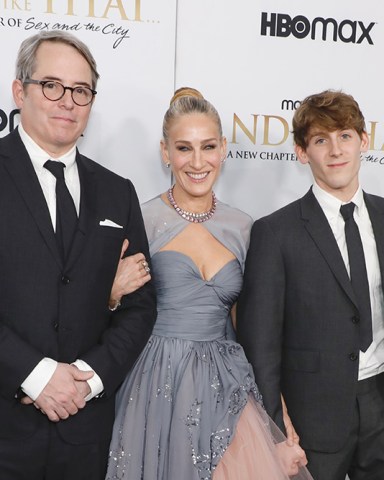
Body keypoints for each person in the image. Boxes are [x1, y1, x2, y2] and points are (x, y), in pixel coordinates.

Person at [106, 87, 313, 479]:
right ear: (166, 153)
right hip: (155, 382)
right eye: (184, 148)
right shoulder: (142, 220)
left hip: (228, 383)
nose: (198, 162)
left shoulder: (245, 227)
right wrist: (111, 294)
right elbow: (102, 312)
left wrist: (279, 417)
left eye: (208, 147)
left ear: (224, 150)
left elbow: (254, 331)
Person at [0, 31, 156, 479]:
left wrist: (88, 378)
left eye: (81, 90)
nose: (67, 101)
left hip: (84, 432)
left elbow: (140, 307)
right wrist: (36, 374)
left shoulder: (117, 191)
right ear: (19, 91)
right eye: (51, 85)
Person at [237, 90, 384, 480]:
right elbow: (260, 345)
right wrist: (277, 434)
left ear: (364, 141)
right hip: (312, 421)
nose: (336, 150)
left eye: (345, 136)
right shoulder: (276, 232)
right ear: (303, 152)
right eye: (321, 140)